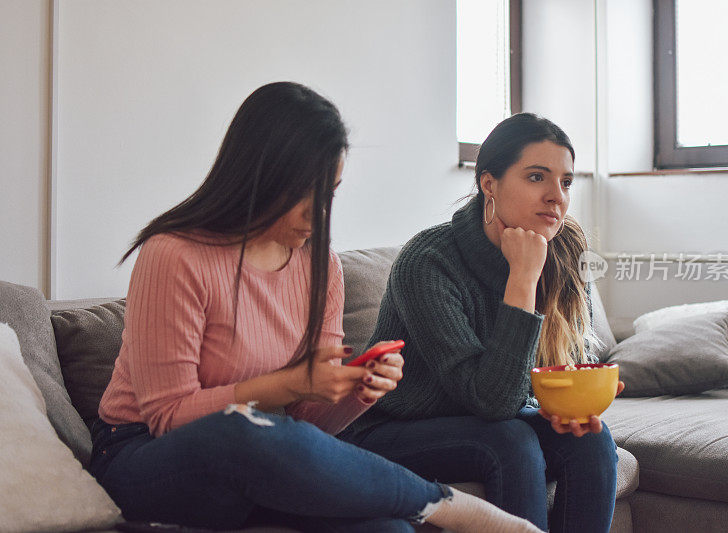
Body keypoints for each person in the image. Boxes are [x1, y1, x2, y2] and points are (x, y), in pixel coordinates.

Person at [89, 82, 542, 533]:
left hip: (264, 459)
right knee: (241, 428)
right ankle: (444, 505)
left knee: (387, 530)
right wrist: (288, 385)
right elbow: (168, 417)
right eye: (303, 192)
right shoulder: (174, 253)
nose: (318, 214)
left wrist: (357, 390)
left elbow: (310, 426)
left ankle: (420, 510)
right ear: (256, 177)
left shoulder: (321, 266)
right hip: (144, 455)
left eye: (331, 192)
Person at [339, 113, 625, 533]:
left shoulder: (560, 251)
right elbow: (493, 403)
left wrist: (567, 403)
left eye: (565, 182)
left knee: (592, 439)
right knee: (510, 440)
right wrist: (522, 279)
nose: (556, 197)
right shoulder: (428, 262)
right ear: (488, 184)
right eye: (535, 177)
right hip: (390, 429)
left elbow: (524, 386)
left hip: (483, 417)